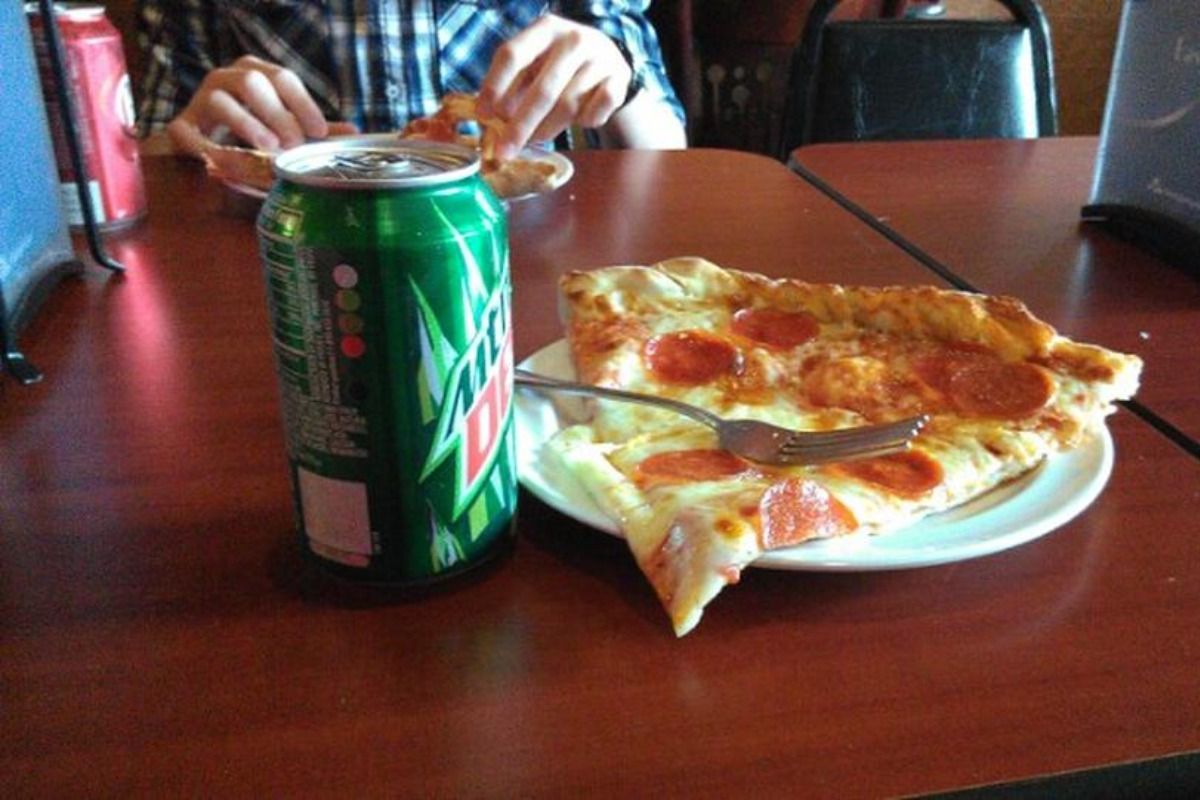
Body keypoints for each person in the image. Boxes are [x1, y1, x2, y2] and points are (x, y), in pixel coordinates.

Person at [136, 1, 687, 160]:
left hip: (525, 251)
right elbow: (156, 155)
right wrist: (191, 134)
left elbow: (668, 152)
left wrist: (621, 78)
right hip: (289, 263)